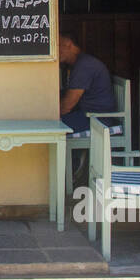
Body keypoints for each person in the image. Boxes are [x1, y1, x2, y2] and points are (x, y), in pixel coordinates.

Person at [59, 31, 115, 176]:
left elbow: (68, 105)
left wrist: (48, 116)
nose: (54, 51)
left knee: (52, 129)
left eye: (57, 45)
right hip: (89, 115)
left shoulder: (84, 65)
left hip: (98, 120)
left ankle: (70, 167)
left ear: (68, 44)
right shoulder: (78, 64)